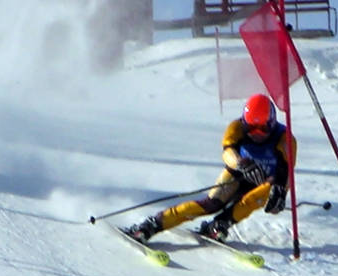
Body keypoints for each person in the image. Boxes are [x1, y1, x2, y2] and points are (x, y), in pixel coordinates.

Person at [126, 93, 297, 244]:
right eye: (251, 128)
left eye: (263, 129)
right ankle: (154, 224)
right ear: (244, 123)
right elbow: (227, 152)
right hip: (237, 175)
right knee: (211, 204)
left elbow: (286, 170)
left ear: (273, 124)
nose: (256, 134)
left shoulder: (285, 139)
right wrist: (241, 163)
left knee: (254, 198)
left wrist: (281, 192)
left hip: (265, 182)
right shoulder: (235, 128)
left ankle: (221, 223)